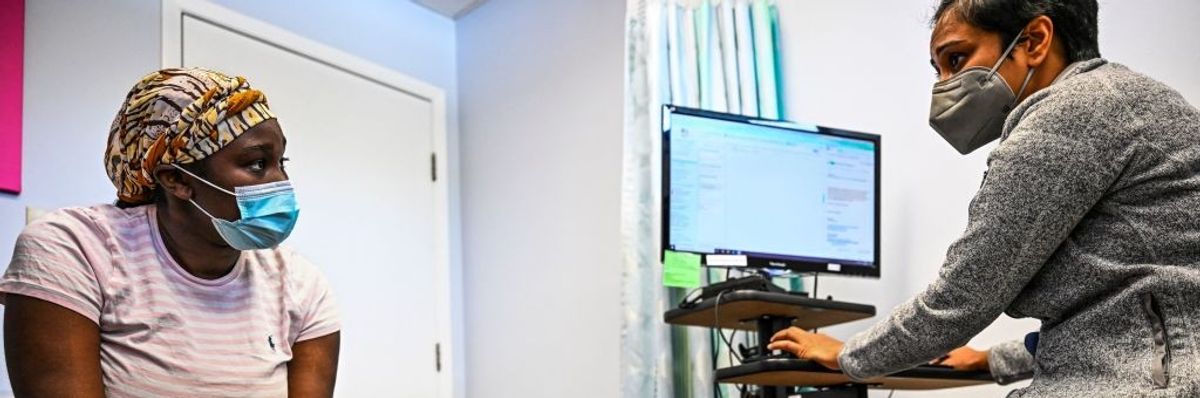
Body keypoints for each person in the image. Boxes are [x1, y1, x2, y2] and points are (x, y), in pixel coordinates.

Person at [766, 0, 1200, 396]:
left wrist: (845, 355)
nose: (944, 85)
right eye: (938, 70)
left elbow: (963, 298)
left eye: (956, 59)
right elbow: (1120, 303)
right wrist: (994, 359)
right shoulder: (1122, 99)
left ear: (1034, 41)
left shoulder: (1075, 112)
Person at [1, 68, 340, 397]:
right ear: (175, 179)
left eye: (282, 162)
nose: (281, 183)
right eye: (257, 164)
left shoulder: (300, 285)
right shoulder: (75, 251)